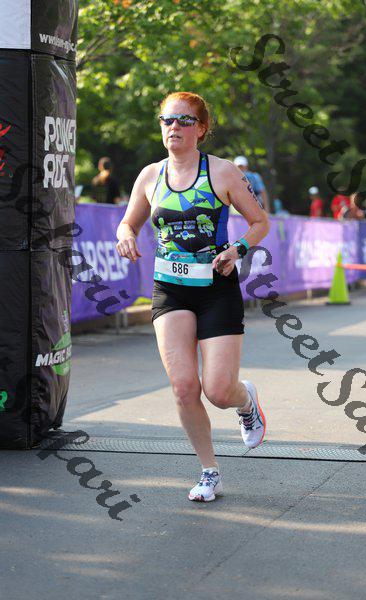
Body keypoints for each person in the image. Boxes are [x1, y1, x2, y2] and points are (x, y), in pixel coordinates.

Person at [116, 92, 269, 502]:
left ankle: (245, 401)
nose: (174, 127)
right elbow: (128, 223)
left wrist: (238, 249)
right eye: (167, 120)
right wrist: (125, 236)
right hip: (170, 290)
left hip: (216, 287)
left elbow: (259, 222)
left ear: (201, 129)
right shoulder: (150, 175)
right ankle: (209, 472)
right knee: (184, 387)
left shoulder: (222, 172)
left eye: (184, 121)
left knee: (218, 391)